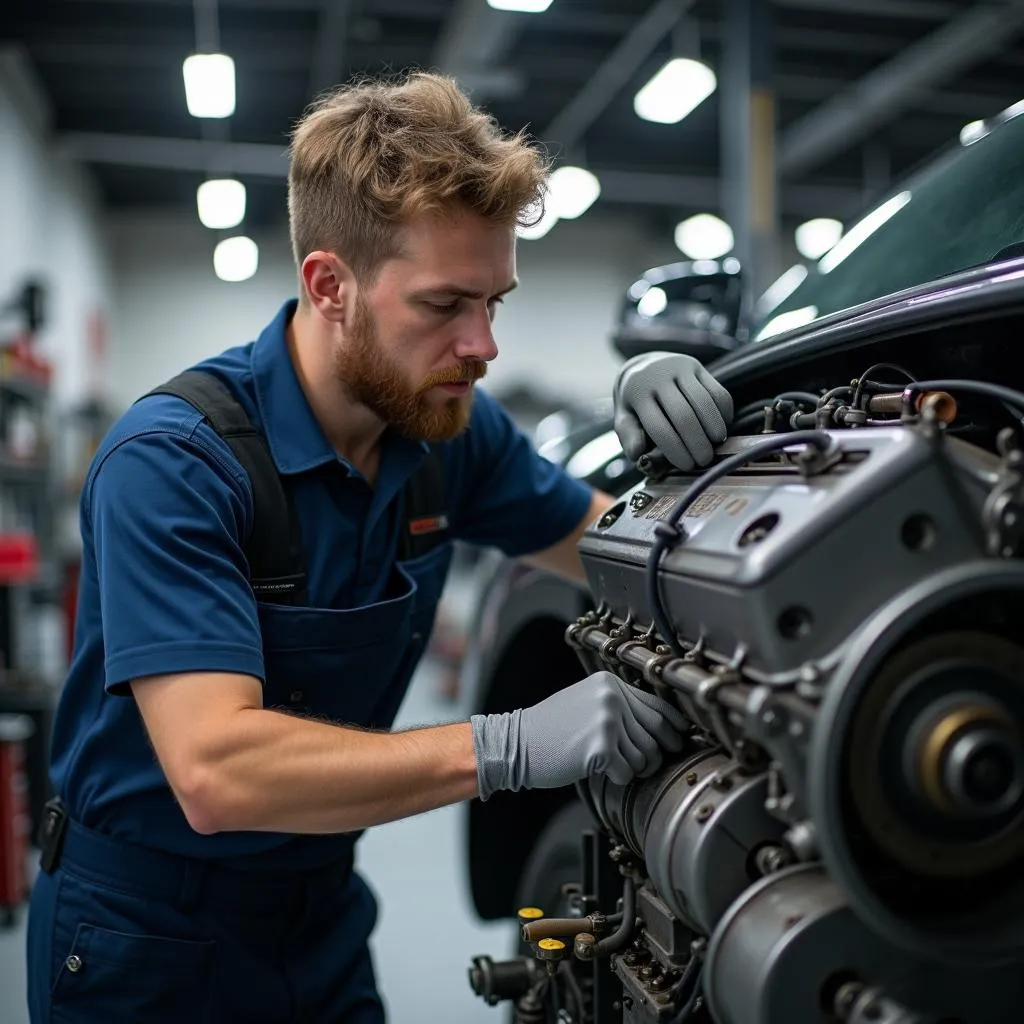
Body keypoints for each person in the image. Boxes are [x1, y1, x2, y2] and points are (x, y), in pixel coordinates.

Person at [25, 71, 733, 1022]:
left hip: (319, 913)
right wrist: (509, 747)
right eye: (444, 305)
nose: (481, 345)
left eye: (496, 302)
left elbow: (613, 548)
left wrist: (680, 464)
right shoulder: (175, 463)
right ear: (330, 286)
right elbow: (216, 772)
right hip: (143, 933)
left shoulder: (448, 430)